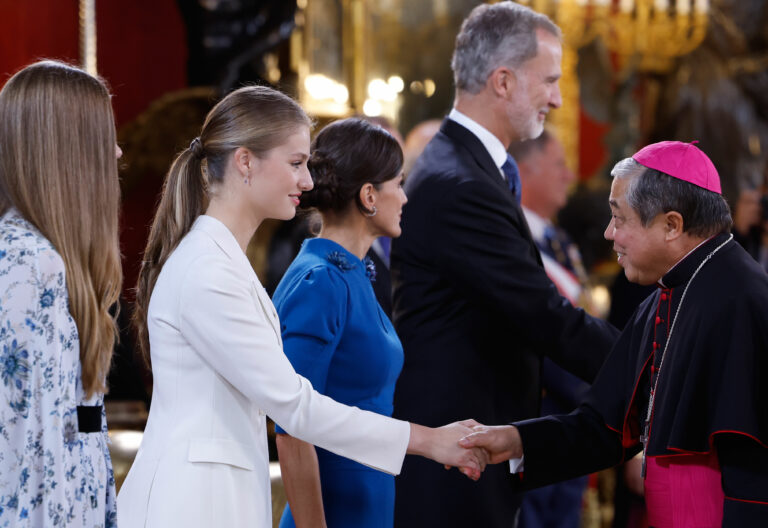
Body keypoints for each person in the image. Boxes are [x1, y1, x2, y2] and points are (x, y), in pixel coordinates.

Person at [116, 86, 485, 528]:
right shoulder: (207, 269)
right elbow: (295, 406)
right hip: (194, 503)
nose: (308, 182)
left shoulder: (222, 261)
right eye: (296, 164)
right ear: (245, 162)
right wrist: (427, 441)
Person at [390, 3, 618, 526]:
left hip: (477, 452)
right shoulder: (459, 184)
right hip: (454, 468)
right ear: (503, 81)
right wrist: (658, 365)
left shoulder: (470, 169)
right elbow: (544, 314)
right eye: (550, 81)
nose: (558, 99)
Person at [461, 141, 768, 527]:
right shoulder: (664, 297)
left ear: (671, 225)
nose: (609, 233)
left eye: (620, 219)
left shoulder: (744, 301)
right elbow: (605, 427)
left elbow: (752, 468)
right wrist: (516, 441)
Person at [0, 60, 122, 527]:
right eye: (103, 137)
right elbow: (31, 453)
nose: (117, 151)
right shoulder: (31, 265)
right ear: (69, 153)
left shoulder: (36, 256)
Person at [273, 118, 407, 527]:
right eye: (399, 183)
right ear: (369, 195)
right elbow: (292, 428)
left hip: (369, 500)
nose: (405, 197)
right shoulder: (321, 281)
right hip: (333, 511)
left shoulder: (350, 272)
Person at [510, 130, 591, 527]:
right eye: (559, 165)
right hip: (538, 409)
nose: (569, 175)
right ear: (527, 169)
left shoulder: (558, 241)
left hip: (574, 412)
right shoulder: (513, 239)